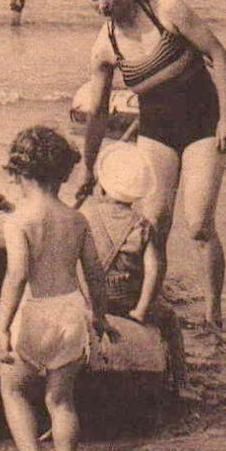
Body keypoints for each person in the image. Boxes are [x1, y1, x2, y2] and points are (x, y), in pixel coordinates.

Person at [72, 0, 226, 331]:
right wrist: (87, 165)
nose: (103, 6)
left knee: (198, 225)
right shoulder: (105, 45)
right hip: (157, 133)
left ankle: (214, 316)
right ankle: (149, 308)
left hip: (204, 127)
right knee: (152, 228)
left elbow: (218, 54)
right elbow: (97, 112)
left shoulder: (166, 9)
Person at [0, 126, 105, 451]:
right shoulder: (76, 220)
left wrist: (0, 327)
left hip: (35, 313)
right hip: (71, 312)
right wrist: (99, 317)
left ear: (19, 174)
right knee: (61, 401)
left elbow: (16, 276)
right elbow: (94, 273)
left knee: (12, 390)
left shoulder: (19, 221)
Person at [78, 141, 189, 391]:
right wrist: (141, 309)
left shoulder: (86, 214)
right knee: (170, 318)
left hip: (90, 298)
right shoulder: (142, 225)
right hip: (126, 300)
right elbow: (154, 272)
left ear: (102, 185)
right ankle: (183, 382)